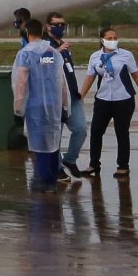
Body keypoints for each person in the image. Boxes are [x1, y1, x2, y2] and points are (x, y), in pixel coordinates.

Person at [84, 26, 138, 177]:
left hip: (124, 99)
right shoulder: (95, 57)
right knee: (96, 131)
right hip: (103, 99)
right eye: (109, 38)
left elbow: (136, 75)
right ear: (102, 40)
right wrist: (82, 95)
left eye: (115, 38)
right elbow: (90, 77)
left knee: (121, 132)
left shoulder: (126, 55)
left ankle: (123, 165)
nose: (113, 41)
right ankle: (94, 164)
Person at [12, 21, 68, 192]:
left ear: (27, 32)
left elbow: (21, 83)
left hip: (35, 105)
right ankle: (51, 178)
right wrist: (65, 104)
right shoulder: (53, 53)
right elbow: (62, 81)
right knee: (53, 142)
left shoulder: (25, 54)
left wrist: (18, 107)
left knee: (40, 144)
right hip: (54, 103)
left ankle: (45, 181)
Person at [48, 12, 90, 178]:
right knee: (56, 133)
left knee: (80, 129)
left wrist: (77, 90)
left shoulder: (65, 47)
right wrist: (57, 51)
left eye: (62, 25)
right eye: (56, 24)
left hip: (72, 96)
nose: (60, 28)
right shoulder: (47, 46)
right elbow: (44, 64)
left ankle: (70, 159)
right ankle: (56, 167)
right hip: (56, 97)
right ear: (47, 27)